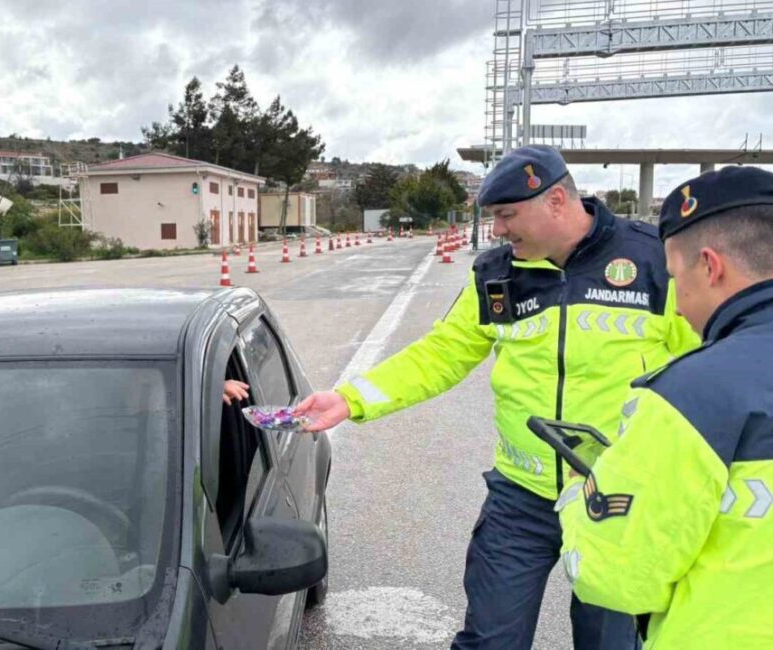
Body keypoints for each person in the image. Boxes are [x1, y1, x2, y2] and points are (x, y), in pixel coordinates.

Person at [295, 145, 700, 649]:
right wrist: (351, 399)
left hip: (619, 496)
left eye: (508, 215)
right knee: (490, 641)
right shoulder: (496, 275)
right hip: (520, 498)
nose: (498, 231)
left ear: (556, 201)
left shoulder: (652, 259)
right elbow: (442, 352)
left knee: (612, 644)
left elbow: (706, 366)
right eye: (493, 218)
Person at [558, 166, 773, 649]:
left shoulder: (691, 395)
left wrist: (578, 495)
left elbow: (616, 578)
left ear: (712, 267)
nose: (675, 306)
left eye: (675, 277)